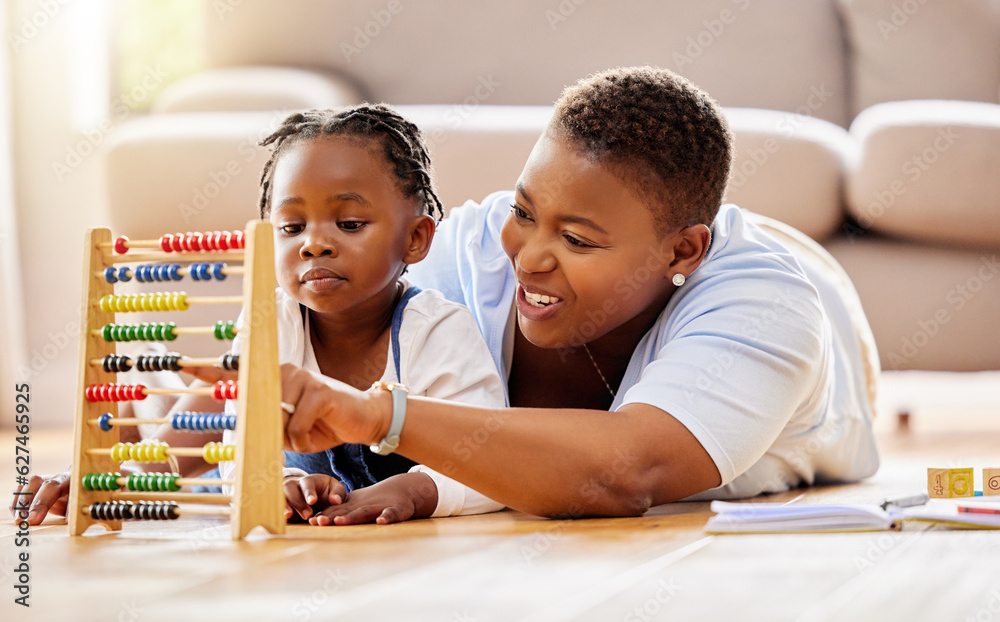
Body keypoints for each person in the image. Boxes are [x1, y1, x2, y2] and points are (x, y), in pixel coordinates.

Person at [278, 66, 881, 518]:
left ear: (682, 252)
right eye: (523, 209)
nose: (529, 257)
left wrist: (381, 415)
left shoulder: (767, 309)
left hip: (819, 306)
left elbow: (623, 474)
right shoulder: (468, 255)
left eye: (576, 239)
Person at [12, 105, 507, 526]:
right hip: (301, 530)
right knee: (195, 480)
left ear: (415, 238)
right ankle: (135, 437)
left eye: (350, 223)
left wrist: (415, 491)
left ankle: (147, 424)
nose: (313, 243)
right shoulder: (273, 318)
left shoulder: (439, 332)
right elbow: (238, 453)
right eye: (291, 227)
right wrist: (283, 481)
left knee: (206, 428)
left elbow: (492, 461)